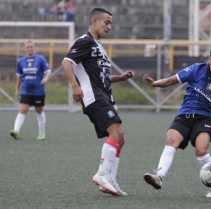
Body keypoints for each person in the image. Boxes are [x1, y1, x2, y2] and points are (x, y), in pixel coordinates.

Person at [142, 47, 211, 198]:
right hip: (186, 114)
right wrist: (155, 84)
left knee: (201, 149)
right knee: (172, 139)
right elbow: (170, 80)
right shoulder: (197, 69)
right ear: (208, 59)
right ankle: (158, 177)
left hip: (206, 118)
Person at [62, 8, 134, 196]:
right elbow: (67, 63)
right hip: (93, 96)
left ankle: (110, 180)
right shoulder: (84, 41)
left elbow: (102, 76)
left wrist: (120, 78)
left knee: (121, 137)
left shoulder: (98, 46)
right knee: (115, 132)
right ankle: (102, 174)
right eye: (106, 22)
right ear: (94, 21)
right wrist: (75, 86)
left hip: (105, 95)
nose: (109, 26)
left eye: (111, 23)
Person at [10, 40, 51, 140]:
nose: (29, 48)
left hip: (38, 90)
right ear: (24, 49)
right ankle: (16, 131)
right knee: (23, 109)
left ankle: (41, 133)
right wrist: (17, 89)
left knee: (39, 110)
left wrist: (45, 78)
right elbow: (19, 77)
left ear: (34, 48)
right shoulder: (21, 61)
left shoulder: (40, 59)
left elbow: (48, 71)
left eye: (31, 47)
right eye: (27, 47)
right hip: (26, 90)